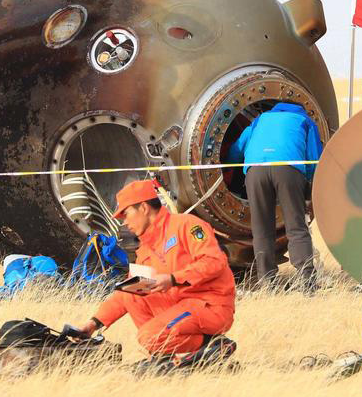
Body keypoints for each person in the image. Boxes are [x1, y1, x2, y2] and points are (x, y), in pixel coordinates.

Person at [75, 180, 236, 369]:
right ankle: (165, 357)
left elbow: (215, 261)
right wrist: (93, 324)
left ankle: (213, 346)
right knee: (130, 294)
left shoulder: (187, 225)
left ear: (144, 208)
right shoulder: (145, 250)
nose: (124, 222)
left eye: (126, 214)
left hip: (210, 306)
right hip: (180, 308)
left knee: (149, 337)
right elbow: (126, 293)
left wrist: (173, 279)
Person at [225, 102, 324, 288]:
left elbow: (237, 149)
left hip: (255, 171)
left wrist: (227, 168)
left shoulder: (260, 119)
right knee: (296, 226)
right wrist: (307, 183)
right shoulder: (304, 120)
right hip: (288, 170)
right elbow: (314, 157)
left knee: (261, 229)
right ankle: (307, 280)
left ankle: (267, 281)